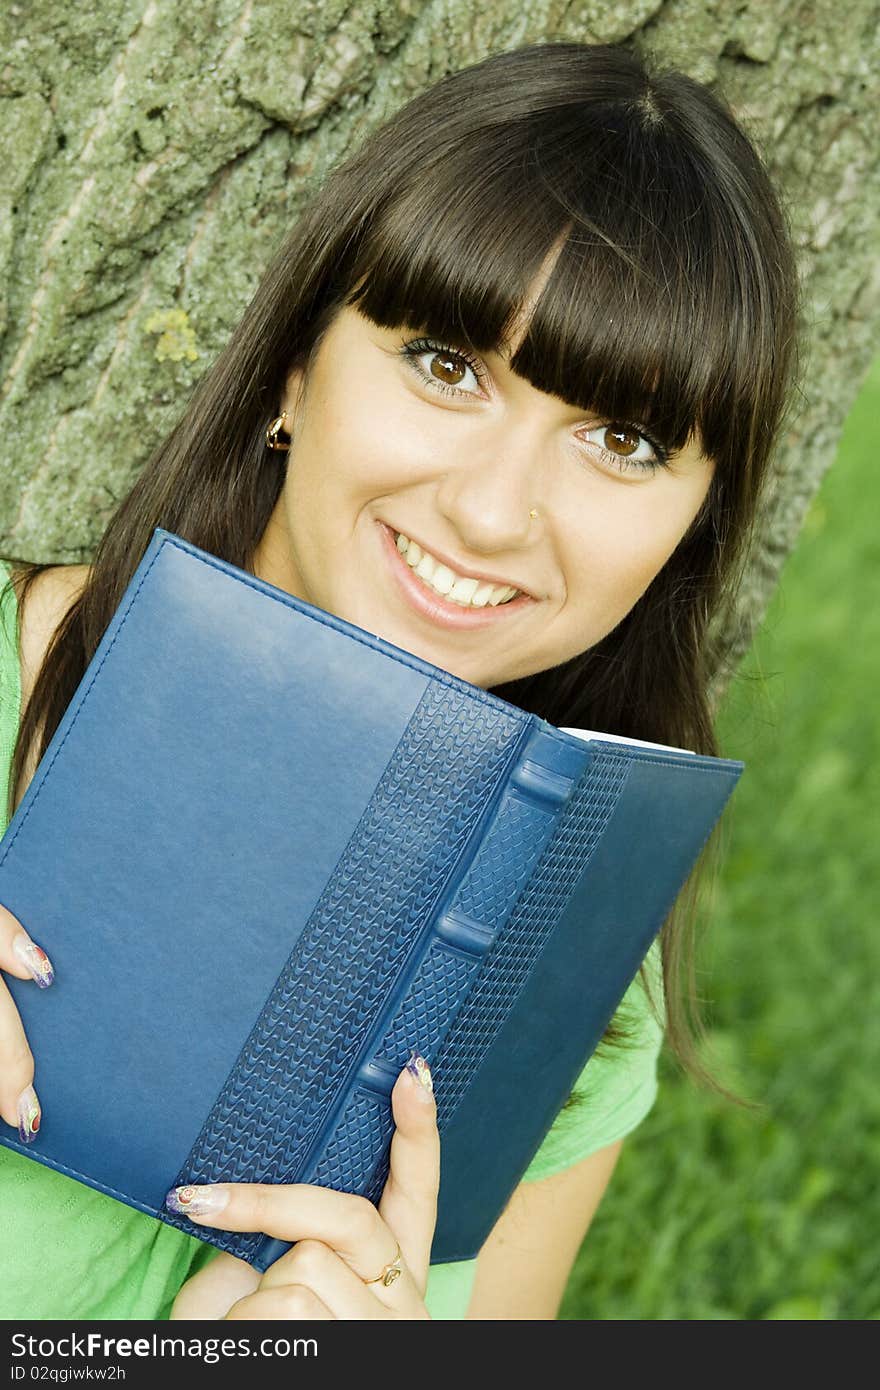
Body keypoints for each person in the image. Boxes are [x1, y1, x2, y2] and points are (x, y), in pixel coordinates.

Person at [0, 39, 799, 1320]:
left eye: (621, 440)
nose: (491, 513)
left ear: (690, 532)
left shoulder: (576, 993)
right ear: (294, 367)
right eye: (445, 364)